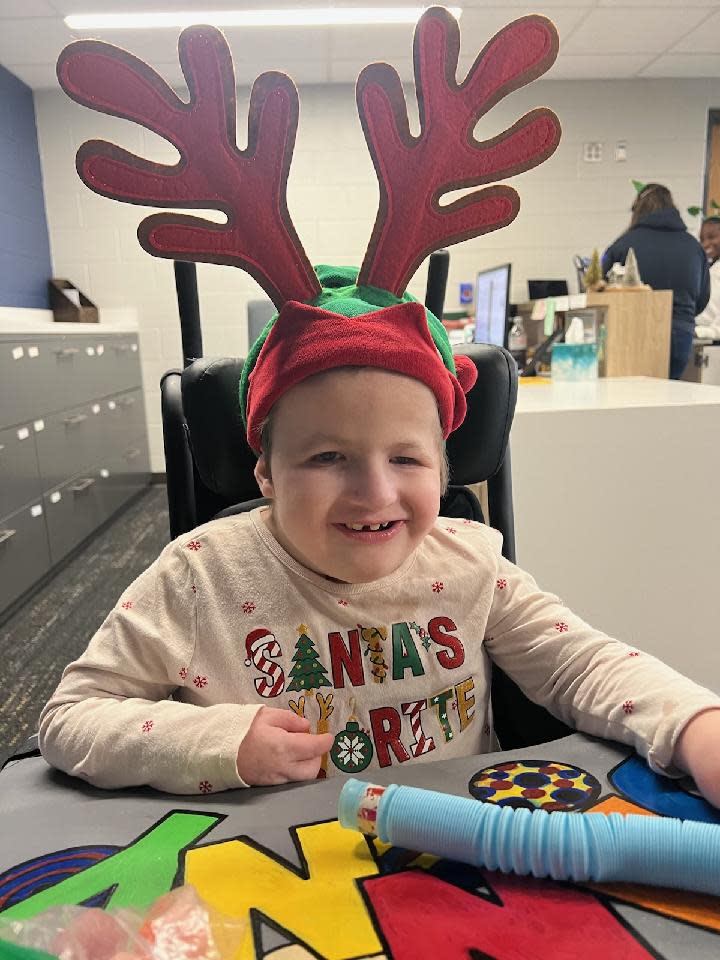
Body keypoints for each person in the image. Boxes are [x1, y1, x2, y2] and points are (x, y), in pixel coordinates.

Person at [39, 262, 720, 804]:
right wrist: (218, 742)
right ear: (266, 473)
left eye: (406, 458)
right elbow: (70, 719)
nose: (376, 493)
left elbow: (584, 664)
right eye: (327, 457)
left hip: (457, 846)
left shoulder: (470, 561)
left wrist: (695, 726)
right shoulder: (198, 575)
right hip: (274, 855)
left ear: (444, 467)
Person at [602, 183, 710, 379]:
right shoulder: (694, 248)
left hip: (632, 333)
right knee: (666, 395)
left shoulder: (622, 245)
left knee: (633, 398)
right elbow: (701, 300)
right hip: (680, 335)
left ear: (638, 210)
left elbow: (599, 291)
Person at [695, 216, 720, 338]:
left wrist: (702, 332)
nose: (705, 244)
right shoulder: (708, 268)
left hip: (710, 337)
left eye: (711, 237)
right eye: (702, 239)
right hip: (699, 330)